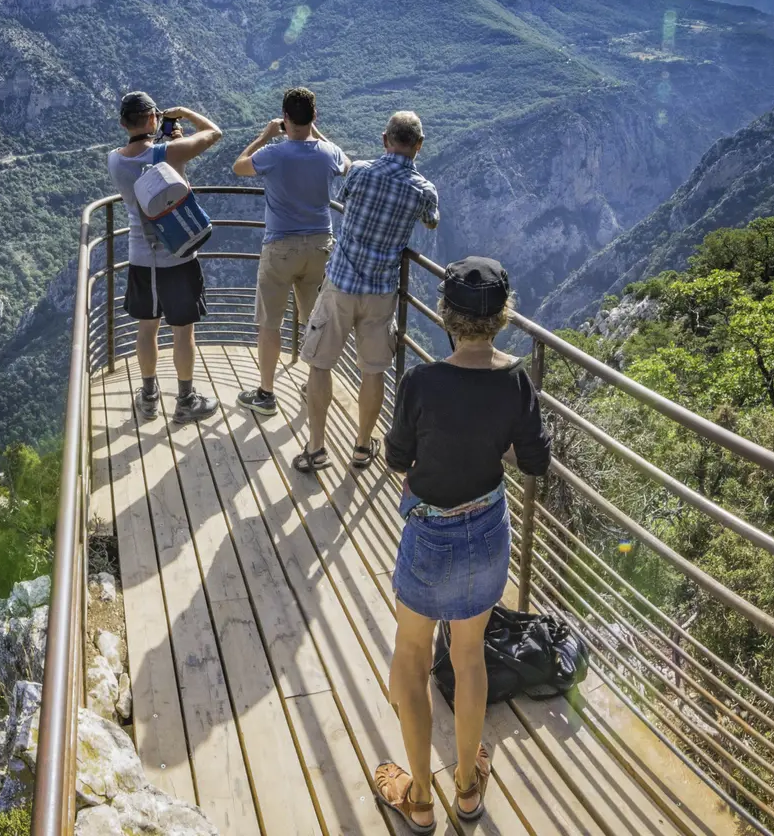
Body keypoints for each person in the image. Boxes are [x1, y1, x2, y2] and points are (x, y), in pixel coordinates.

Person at [373, 257, 550, 832]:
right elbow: (535, 461)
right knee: (468, 657)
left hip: (431, 534)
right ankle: (468, 790)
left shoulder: (421, 383)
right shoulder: (516, 379)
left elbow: (397, 458)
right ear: (503, 317)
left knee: (413, 658)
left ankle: (418, 797)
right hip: (488, 531)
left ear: (446, 316)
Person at [296, 111, 438, 473]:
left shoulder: (360, 171)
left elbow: (345, 195)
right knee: (373, 372)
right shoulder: (423, 190)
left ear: (384, 139)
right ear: (418, 146)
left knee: (320, 364)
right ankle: (361, 447)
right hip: (381, 293)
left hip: (340, 284)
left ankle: (316, 449)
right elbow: (431, 221)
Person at [231, 87, 349, 416]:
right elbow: (347, 163)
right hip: (320, 247)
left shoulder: (274, 153)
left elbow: (239, 166)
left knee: (270, 323)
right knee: (315, 319)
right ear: (314, 116)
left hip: (280, 246)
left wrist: (264, 134)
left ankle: (266, 395)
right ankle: (314, 384)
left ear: (285, 118)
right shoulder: (328, 153)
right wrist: (318, 134)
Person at [107, 90, 224, 424]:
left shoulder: (114, 160)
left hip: (141, 258)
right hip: (179, 257)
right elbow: (215, 133)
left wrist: (165, 142)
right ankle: (185, 400)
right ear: (152, 119)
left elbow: (143, 156)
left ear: (122, 123)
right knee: (183, 332)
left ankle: (148, 397)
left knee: (147, 329)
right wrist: (185, 114)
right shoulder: (170, 153)